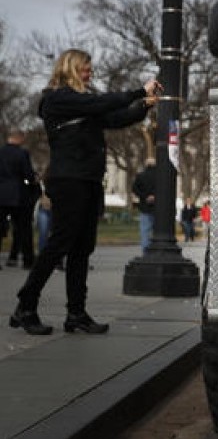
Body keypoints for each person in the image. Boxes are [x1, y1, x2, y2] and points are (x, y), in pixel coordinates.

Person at [10, 48, 161, 336]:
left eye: (90, 69)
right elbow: (102, 103)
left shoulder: (82, 104)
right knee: (60, 244)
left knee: (82, 249)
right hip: (69, 180)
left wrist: (143, 106)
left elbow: (114, 117)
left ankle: (76, 313)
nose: (90, 73)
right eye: (85, 68)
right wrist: (138, 91)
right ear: (70, 68)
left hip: (89, 181)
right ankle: (25, 306)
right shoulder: (57, 99)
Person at [0, 128, 38, 270]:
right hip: (18, 195)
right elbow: (28, 175)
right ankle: (28, 260)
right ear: (20, 138)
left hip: (1, 195)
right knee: (24, 228)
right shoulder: (22, 154)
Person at [132, 158, 157, 253]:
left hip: (144, 206)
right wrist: (154, 196)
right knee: (156, 231)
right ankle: (155, 250)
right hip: (157, 208)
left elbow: (134, 189)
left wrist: (145, 196)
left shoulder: (140, 175)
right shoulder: (159, 176)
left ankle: (146, 250)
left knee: (145, 231)